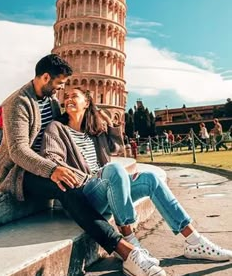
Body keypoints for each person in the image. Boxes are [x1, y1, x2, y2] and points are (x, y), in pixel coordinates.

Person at [0, 54, 164, 276]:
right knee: (66, 185)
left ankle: (128, 248)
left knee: (71, 182)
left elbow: (66, 132)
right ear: (45, 77)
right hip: (19, 173)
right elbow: (19, 151)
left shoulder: (51, 101)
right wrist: (53, 170)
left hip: (47, 166)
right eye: (58, 84)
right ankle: (127, 252)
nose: (60, 90)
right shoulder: (17, 103)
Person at [41, 87, 232, 275]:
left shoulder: (93, 130)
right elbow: (51, 157)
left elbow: (116, 148)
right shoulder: (57, 128)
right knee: (114, 169)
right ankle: (130, 242)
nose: (68, 100)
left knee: (150, 178)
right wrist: (93, 177)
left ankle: (194, 241)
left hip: (107, 188)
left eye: (74, 96)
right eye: (66, 97)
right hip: (84, 196)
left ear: (87, 102)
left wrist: (111, 124)